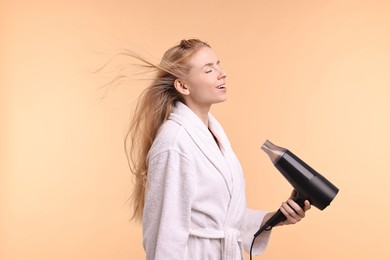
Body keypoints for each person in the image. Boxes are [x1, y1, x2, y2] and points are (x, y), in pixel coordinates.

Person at [125, 39, 311, 259]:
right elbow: (165, 234)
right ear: (183, 86)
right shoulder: (174, 143)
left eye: (218, 65)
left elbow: (225, 220)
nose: (222, 74)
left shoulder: (213, 134)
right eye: (208, 69)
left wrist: (274, 218)